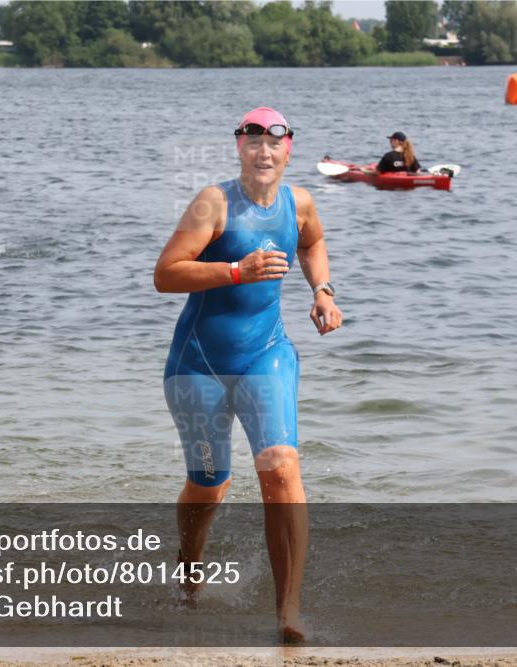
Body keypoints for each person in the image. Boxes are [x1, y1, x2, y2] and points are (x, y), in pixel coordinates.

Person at [154, 107, 343, 643]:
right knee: (209, 484)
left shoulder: (299, 202)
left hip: (267, 354)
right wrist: (236, 270)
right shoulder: (213, 203)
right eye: (252, 140)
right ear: (239, 148)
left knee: (281, 467)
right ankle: (190, 574)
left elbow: (311, 243)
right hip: (199, 365)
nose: (263, 151)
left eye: (273, 142)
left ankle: (288, 612)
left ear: (289, 150)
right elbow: (165, 274)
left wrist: (322, 291)